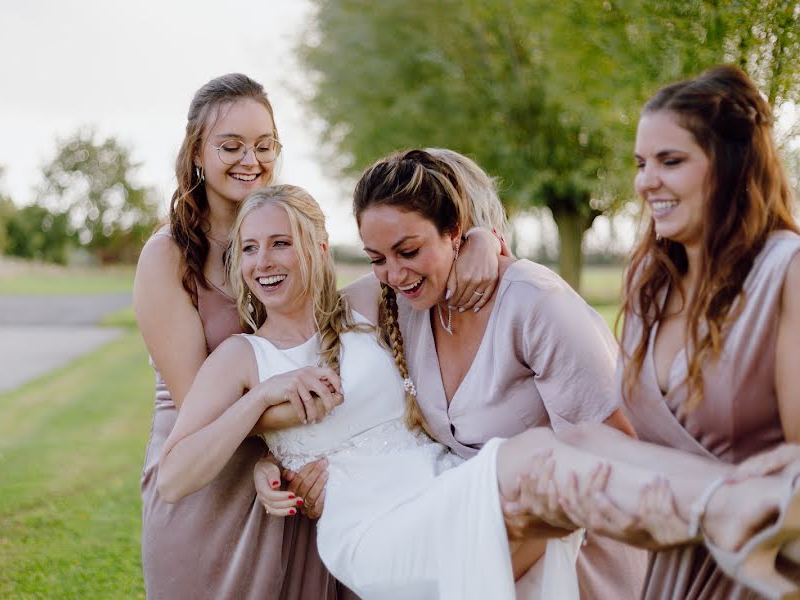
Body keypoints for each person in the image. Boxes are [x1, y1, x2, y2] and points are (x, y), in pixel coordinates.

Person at [161, 183, 800, 600]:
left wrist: (483, 244)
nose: (264, 261)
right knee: (539, 462)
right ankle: (740, 511)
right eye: (249, 249)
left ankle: (741, 512)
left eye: (281, 243)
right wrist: (257, 406)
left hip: (439, 480)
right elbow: (175, 476)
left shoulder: (363, 305)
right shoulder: (244, 358)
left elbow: (434, 258)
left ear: (319, 249)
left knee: (567, 457)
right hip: (376, 526)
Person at [133, 74, 502, 599]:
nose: (250, 159)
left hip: (300, 478)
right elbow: (206, 409)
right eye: (231, 146)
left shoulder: (287, 231)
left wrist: (484, 239)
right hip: (210, 475)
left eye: (264, 146)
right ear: (196, 152)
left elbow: (404, 270)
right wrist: (297, 427)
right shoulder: (168, 256)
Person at [278, 147, 648, 597]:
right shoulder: (405, 305)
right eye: (377, 259)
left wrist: (484, 238)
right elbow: (298, 330)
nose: (393, 273)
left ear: (455, 232)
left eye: (408, 251)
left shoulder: (535, 305)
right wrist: (272, 461)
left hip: (571, 556)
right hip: (472, 548)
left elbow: (618, 454)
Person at [516, 64, 800, 599]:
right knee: (566, 439)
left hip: (759, 569)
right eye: (642, 163)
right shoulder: (652, 281)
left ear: (734, 167)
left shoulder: (785, 273)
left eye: (671, 161)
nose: (646, 181)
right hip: (669, 566)